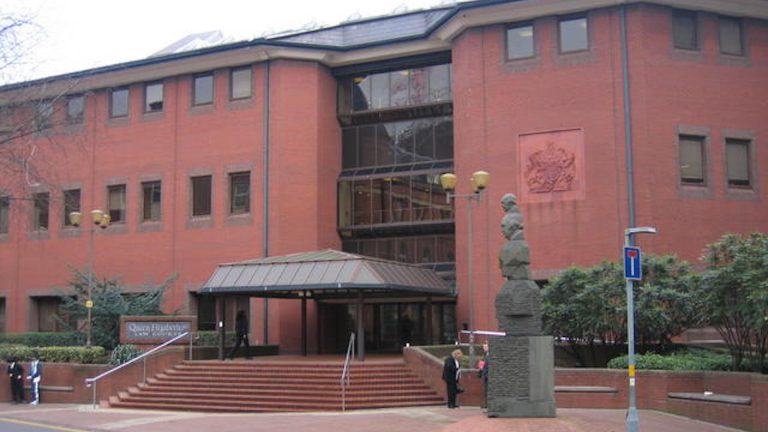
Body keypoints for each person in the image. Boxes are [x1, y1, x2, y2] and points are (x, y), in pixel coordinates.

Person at [477, 341, 490, 409]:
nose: (484, 348)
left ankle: (488, 404)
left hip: (488, 375)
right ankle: (486, 404)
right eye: (483, 347)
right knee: (486, 391)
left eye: (485, 347)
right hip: (485, 375)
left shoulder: (490, 355)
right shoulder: (485, 355)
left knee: (488, 391)